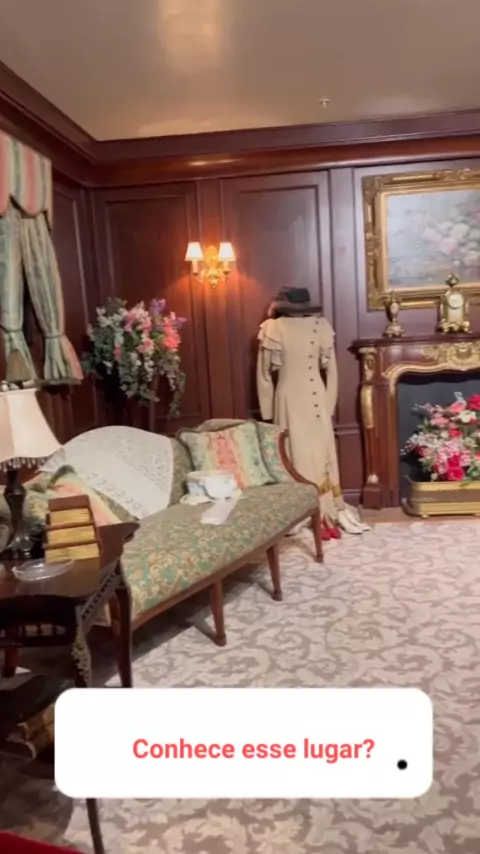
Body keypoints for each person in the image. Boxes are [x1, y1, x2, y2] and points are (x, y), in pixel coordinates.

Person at [256, 287, 369, 538]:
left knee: (304, 452)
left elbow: (264, 375)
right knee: (300, 452)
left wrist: (268, 411)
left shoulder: (275, 327)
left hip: (291, 398)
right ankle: (306, 510)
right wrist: (327, 404)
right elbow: (332, 372)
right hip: (310, 399)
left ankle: (320, 508)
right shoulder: (312, 326)